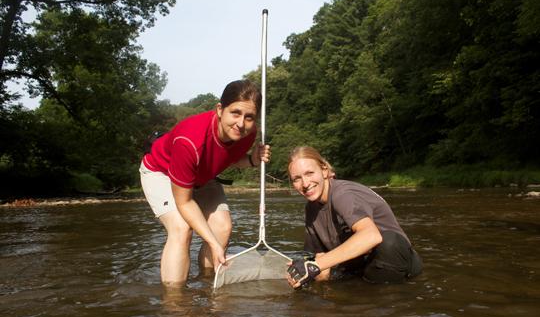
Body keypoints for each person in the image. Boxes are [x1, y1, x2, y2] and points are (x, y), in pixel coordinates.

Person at [139, 80, 271, 286]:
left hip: (202, 174)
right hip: (161, 172)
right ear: (220, 109)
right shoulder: (189, 140)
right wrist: (212, 243)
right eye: (235, 113)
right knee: (182, 229)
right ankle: (176, 305)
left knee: (222, 227)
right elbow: (184, 202)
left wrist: (253, 160)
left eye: (249, 117)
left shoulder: (247, 133)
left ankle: (207, 284)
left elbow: (228, 157)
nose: (241, 123)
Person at [286, 146, 422, 289]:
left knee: (389, 243)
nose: (305, 184)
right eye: (297, 179)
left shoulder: (343, 194)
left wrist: (317, 266)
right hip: (361, 267)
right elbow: (316, 255)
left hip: (395, 258)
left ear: (324, 170)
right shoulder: (310, 209)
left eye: (309, 173)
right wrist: (303, 265)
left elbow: (371, 236)